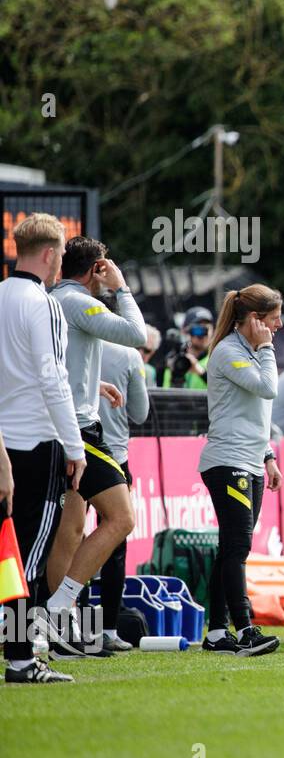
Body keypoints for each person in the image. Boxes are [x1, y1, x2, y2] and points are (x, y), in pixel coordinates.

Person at [44, 236, 147, 658]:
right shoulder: (78, 302)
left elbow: (59, 361)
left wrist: (91, 384)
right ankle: (58, 606)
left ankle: (56, 626)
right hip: (79, 431)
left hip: (63, 421)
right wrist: (121, 288)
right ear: (96, 269)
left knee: (69, 529)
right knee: (121, 517)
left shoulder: (51, 299)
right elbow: (136, 334)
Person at [0, 214, 85, 683]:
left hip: (2, 443)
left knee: (5, 553)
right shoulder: (43, 303)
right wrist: (75, 447)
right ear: (51, 254)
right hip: (35, 443)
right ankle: (20, 658)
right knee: (25, 559)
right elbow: (54, 380)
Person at [197, 285, 284, 657]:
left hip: (250, 461)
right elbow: (267, 389)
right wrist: (266, 350)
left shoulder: (249, 350)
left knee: (230, 549)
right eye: (274, 318)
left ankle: (217, 633)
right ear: (254, 320)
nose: (279, 325)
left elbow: (252, 413)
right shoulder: (228, 352)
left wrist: (268, 455)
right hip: (227, 462)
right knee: (238, 546)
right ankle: (246, 629)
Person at [91, 340, 151, 652]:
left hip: (67, 444)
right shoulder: (127, 354)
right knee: (115, 538)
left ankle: (65, 624)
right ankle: (108, 629)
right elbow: (140, 413)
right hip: (111, 454)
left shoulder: (65, 338)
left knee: (66, 536)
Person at [161, 306, 214, 389]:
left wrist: (201, 372)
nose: (204, 335)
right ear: (185, 331)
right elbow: (167, 394)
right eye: (198, 330)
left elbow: (223, 389)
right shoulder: (176, 360)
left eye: (207, 329)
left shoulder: (217, 359)